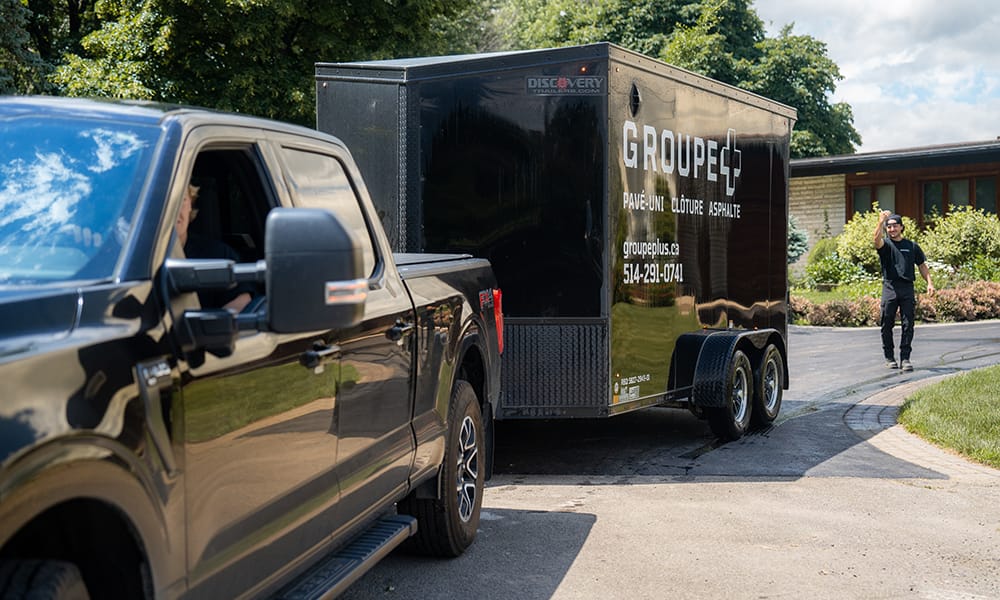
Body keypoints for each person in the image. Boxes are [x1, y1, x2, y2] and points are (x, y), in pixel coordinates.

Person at [176, 184, 254, 313]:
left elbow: (242, 302)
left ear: (191, 204)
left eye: (182, 200)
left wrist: (205, 327)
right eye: (167, 202)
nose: (175, 209)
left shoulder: (218, 256)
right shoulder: (133, 259)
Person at [873, 210, 934, 371]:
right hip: (890, 287)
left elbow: (921, 265)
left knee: (908, 324)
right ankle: (889, 356)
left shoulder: (912, 246)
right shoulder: (885, 245)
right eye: (889, 227)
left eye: (895, 226)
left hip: (907, 288)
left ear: (901, 227)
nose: (892, 229)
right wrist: (880, 222)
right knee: (887, 322)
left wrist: (929, 283)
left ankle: (905, 358)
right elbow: (875, 239)